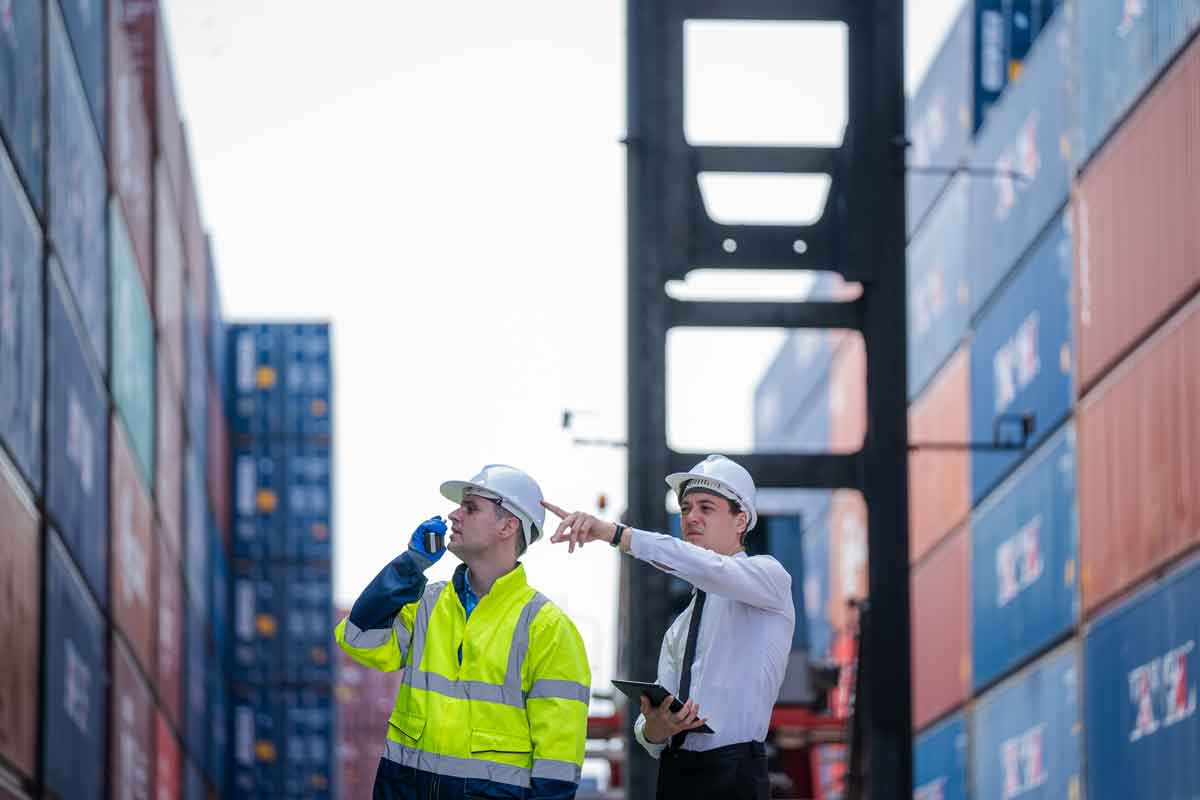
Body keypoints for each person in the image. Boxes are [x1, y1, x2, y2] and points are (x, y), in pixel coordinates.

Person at [543, 454, 794, 800]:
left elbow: (708, 568)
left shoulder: (770, 580)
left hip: (737, 776)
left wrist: (615, 534)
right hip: (677, 775)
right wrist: (655, 730)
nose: (691, 517)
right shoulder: (681, 626)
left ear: (741, 520)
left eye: (706, 508)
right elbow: (650, 731)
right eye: (686, 508)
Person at [335, 464, 592, 800]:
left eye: (470, 507)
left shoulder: (547, 628)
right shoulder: (426, 603)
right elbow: (359, 638)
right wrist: (409, 566)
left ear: (508, 525)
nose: (453, 515)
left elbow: (557, 766)